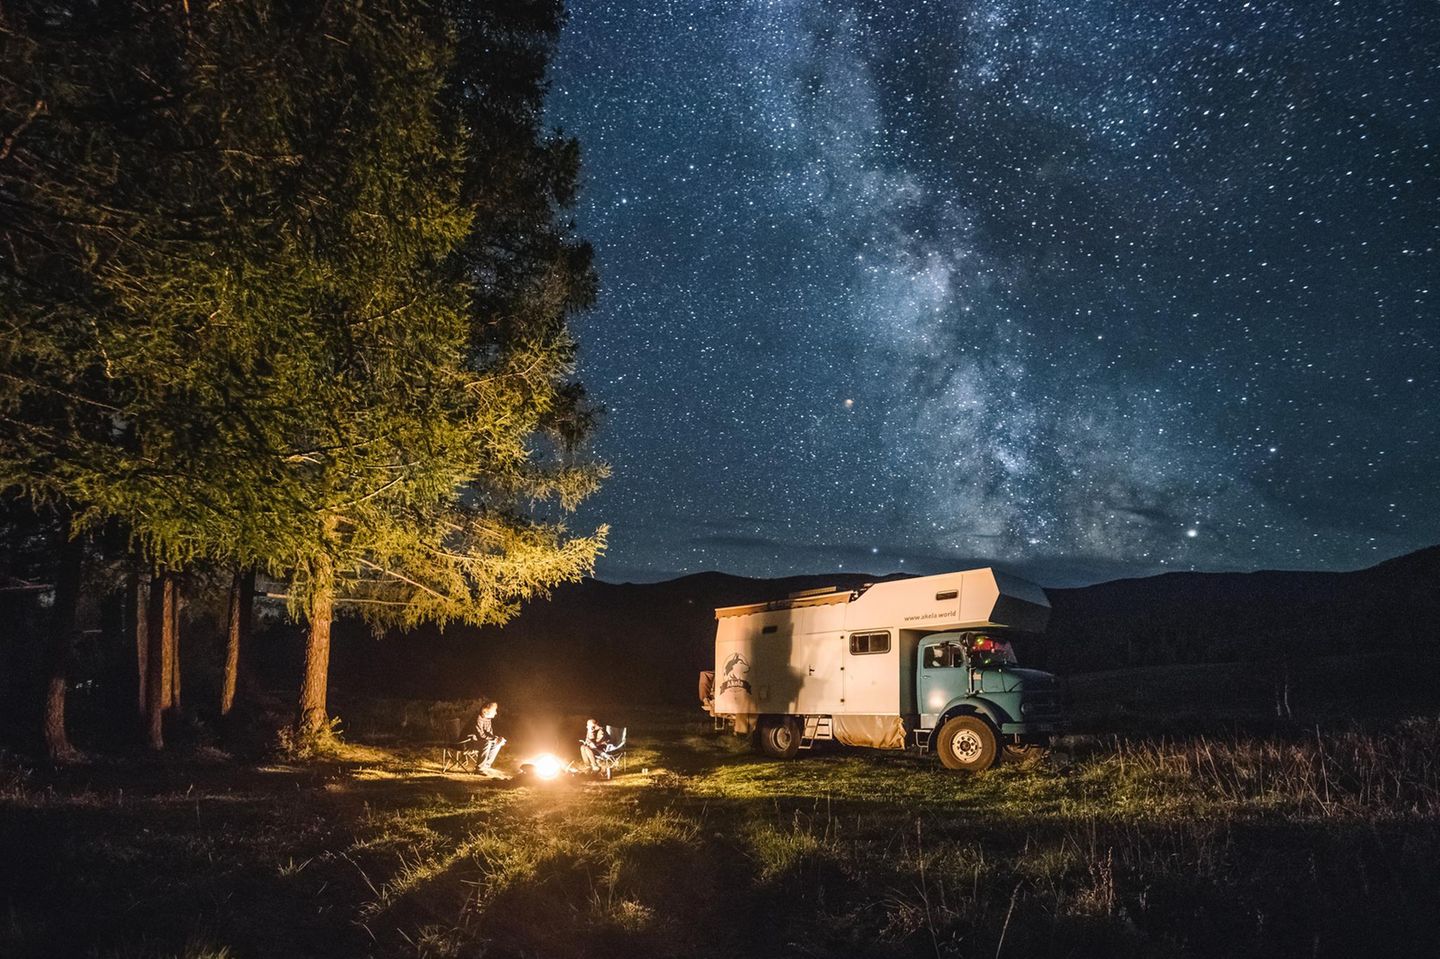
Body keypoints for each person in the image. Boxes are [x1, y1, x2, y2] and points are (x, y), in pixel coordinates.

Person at [469, 701, 505, 771]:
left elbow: (489, 733)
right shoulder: (478, 718)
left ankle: (486, 765)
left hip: (477, 741)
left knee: (497, 743)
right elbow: (480, 736)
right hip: (468, 742)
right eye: (494, 710)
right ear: (486, 711)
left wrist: (497, 738)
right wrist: (494, 739)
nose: (496, 713)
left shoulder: (487, 719)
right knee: (487, 743)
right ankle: (479, 769)